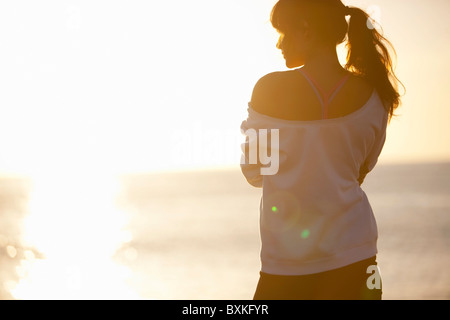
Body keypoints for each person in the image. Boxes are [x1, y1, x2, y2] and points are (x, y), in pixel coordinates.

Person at [240, 0, 403, 300]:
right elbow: (361, 170)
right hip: (359, 261)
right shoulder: (375, 95)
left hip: (287, 267)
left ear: (306, 29)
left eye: (284, 33)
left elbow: (255, 171)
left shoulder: (269, 89)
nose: (279, 44)